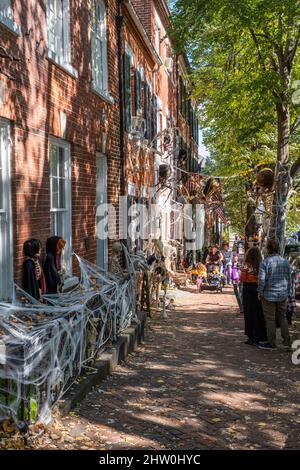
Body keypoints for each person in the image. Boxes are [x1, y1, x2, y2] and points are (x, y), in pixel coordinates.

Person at [258, 239, 292, 350]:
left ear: (268, 249)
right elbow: (289, 279)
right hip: (282, 294)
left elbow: (262, 280)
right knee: (283, 317)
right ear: (278, 248)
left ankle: (271, 342)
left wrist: (260, 292)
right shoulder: (285, 262)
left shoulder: (265, 262)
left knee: (270, 319)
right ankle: (287, 341)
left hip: (268, 295)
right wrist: (288, 292)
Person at [240, 247, 267, 345]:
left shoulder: (246, 265)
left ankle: (251, 336)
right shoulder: (262, 264)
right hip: (258, 289)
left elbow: (242, 278)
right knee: (259, 312)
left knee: (249, 313)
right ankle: (260, 335)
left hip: (248, 289)